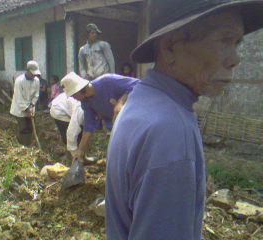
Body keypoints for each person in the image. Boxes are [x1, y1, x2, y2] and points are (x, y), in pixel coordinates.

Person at [105, 1, 263, 240]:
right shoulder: (170, 130)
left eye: (237, 43)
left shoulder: (142, 101)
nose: (235, 59)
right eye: (224, 40)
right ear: (170, 47)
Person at [60, 72, 139, 161]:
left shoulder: (107, 81)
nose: (73, 98)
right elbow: (88, 127)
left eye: (73, 95)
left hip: (134, 121)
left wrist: (121, 102)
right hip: (114, 128)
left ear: (80, 89)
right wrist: (80, 150)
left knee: (136, 152)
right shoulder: (86, 102)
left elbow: (137, 84)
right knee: (118, 156)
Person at [10, 61, 40, 147]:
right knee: (23, 128)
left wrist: (32, 105)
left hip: (31, 107)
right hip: (19, 109)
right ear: (27, 70)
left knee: (31, 128)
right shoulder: (19, 81)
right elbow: (19, 98)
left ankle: (28, 144)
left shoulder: (37, 80)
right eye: (32, 73)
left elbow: (36, 94)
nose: (34, 75)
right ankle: (22, 146)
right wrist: (26, 109)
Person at [50, 92, 84, 158]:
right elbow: (72, 131)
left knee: (81, 134)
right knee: (70, 137)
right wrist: (74, 151)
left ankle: (82, 156)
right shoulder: (80, 109)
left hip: (68, 105)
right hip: (59, 110)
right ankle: (73, 159)